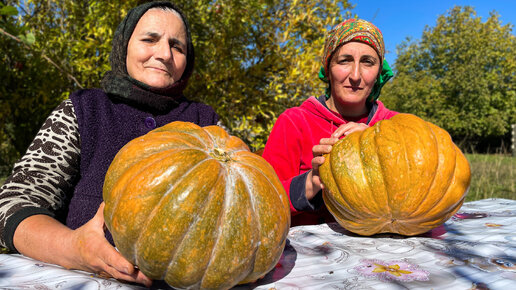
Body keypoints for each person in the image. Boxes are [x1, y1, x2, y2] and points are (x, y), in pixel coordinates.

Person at [0, 2, 219, 287]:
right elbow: (13, 203)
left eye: (177, 47)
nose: (164, 54)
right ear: (124, 46)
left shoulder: (207, 123)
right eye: (149, 39)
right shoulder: (83, 110)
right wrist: (74, 248)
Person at [262, 18, 398, 227]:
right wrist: (311, 182)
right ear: (328, 68)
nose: (355, 75)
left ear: (379, 72)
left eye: (367, 62)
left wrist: (379, 141)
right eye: (344, 61)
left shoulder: (395, 125)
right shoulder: (294, 122)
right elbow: (262, 204)